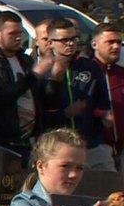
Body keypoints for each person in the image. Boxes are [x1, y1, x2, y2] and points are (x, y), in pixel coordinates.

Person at [0, 11, 53, 165]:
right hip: (1, 141)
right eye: (12, 33)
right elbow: (0, 98)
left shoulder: (25, 60)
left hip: (28, 140)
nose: (19, 38)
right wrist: (33, 76)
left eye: (20, 33)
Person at [39, 18, 114, 171]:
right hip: (59, 149)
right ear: (51, 42)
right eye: (64, 40)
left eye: (74, 39)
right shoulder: (42, 70)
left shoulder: (89, 66)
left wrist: (106, 116)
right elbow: (39, 115)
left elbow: (103, 103)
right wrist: (65, 113)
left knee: (110, 188)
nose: (71, 44)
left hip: (91, 146)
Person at [90, 23, 124, 163]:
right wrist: (101, 113)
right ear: (94, 44)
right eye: (110, 42)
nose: (116, 47)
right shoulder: (86, 72)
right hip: (97, 148)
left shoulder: (121, 74)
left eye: (118, 42)